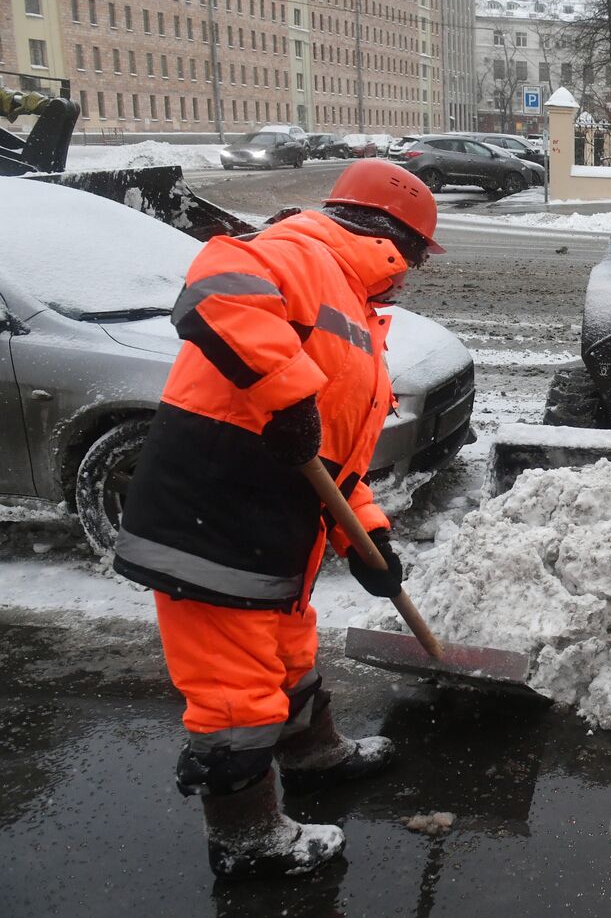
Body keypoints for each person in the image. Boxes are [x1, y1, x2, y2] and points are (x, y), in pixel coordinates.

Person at [113, 159, 444, 879]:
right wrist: (289, 393)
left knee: (288, 654)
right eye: (417, 256)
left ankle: (313, 754)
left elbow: (333, 460)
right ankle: (246, 837)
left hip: (271, 526)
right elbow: (216, 285)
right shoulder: (304, 250)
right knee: (235, 687)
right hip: (213, 514)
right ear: (397, 240)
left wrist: (371, 536)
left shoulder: (355, 306)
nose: (411, 273)